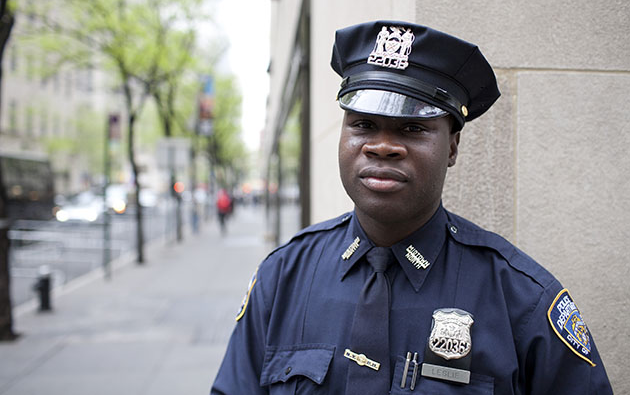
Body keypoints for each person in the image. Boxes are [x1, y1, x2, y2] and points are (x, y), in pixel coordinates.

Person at [211, 21, 612, 394]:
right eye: (363, 125)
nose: (382, 146)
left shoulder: (522, 300)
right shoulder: (282, 277)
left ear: (452, 147)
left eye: (412, 128)